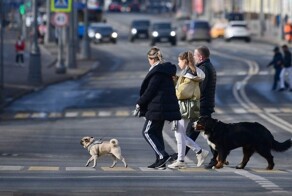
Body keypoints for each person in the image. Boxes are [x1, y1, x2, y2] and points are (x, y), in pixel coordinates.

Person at [134, 47, 181, 169]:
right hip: (161, 106)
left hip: (157, 107)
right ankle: (159, 161)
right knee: (156, 132)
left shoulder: (157, 72)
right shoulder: (165, 70)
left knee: (147, 132)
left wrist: (139, 103)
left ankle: (162, 156)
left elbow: (150, 91)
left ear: (151, 59)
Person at [167, 51, 209, 169]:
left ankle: (182, 159)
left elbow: (181, 93)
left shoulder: (188, 75)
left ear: (185, 61)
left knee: (179, 133)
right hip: (185, 106)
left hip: (183, 107)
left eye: (179, 61)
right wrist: (176, 80)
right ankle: (199, 152)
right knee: (179, 133)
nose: (178, 63)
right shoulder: (189, 73)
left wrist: (173, 89)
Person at [193, 46, 217, 169]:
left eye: (194, 56)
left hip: (202, 105)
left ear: (201, 57)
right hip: (205, 104)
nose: (193, 58)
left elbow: (200, 89)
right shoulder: (208, 66)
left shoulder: (203, 68)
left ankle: (216, 158)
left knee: (206, 134)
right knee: (193, 133)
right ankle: (179, 156)